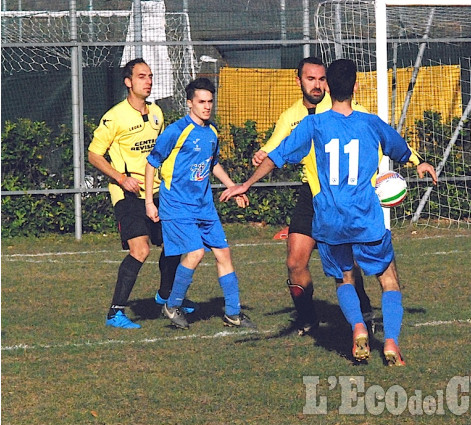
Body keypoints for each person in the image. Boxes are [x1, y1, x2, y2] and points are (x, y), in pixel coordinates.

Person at [221, 59, 437, 366]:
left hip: (330, 220)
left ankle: (358, 328)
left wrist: (247, 184)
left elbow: (276, 156)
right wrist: (421, 163)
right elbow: (400, 150)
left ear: (328, 88)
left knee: (344, 279)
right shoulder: (370, 122)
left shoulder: (312, 124)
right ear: (355, 87)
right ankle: (390, 343)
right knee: (388, 280)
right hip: (365, 217)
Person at [252, 56, 375, 336]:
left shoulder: (347, 109)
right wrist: (260, 156)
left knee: (348, 262)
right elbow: (274, 149)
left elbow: (376, 137)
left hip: (343, 195)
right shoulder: (291, 116)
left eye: (322, 79)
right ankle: (307, 317)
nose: (317, 85)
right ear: (299, 81)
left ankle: (363, 309)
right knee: (295, 262)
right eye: (311, 79)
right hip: (312, 194)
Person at [88, 58, 195, 329]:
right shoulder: (114, 117)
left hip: (157, 192)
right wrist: (121, 178)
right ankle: (115, 313)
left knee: (174, 245)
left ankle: (165, 297)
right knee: (141, 249)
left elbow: (160, 154)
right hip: (128, 195)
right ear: (128, 82)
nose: (148, 81)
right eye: (141, 77)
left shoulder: (157, 113)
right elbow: (94, 155)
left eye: (149, 76)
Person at [145, 77, 255, 330]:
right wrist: (150, 203)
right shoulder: (176, 130)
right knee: (195, 252)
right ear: (189, 103)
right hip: (176, 205)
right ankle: (172, 305)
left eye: (210, 102)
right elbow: (152, 163)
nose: (207, 106)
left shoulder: (213, 132)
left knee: (223, 253)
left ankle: (233, 313)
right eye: (201, 102)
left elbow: (212, 164)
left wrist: (233, 187)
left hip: (204, 206)